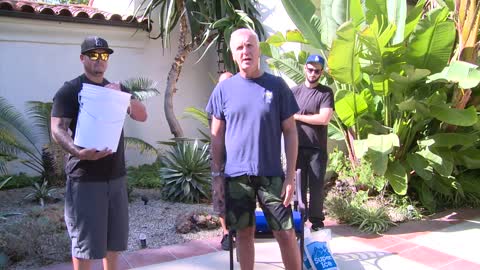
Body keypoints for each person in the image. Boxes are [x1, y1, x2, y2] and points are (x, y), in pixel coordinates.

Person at [206, 28, 301, 270]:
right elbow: (216, 136)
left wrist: (290, 177)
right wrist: (217, 176)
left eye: (250, 46)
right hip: (237, 178)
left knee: (286, 233)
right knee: (244, 235)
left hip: (271, 175)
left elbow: (290, 132)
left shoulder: (277, 86)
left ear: (258, 50)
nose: (245, 51)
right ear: (233, 55)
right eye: (239, 48)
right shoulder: (224, 90)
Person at [50, 36, 147, 270]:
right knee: (85, 244)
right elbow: (57, 128)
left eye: (104, 55)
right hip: (85, 178)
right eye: (93, 55)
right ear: (82, 58)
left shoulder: (118, 89)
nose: (99, 60)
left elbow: (142, 115)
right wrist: (77, 152)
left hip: (116, 177)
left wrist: (123, 99)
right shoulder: (70, 90)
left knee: (114, 241)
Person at [292, 54, 334, 231]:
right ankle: (297, 220)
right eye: (310, 69)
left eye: (317, 71)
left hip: (316, 148)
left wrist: (298, 117)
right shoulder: (294, 92)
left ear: (321, 72)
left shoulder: (325, 93)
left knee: (316, 187)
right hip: (296, 146)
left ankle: (317, 222)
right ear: (305, 68)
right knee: (297, 187)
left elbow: (324, 118)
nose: (313, 73)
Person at [210, 71, 234, 251]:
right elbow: (215, 134)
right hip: (221, 157)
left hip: (238, 158)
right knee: (220, 197)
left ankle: (238, 231)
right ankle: (226, 232)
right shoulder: (216, 103)